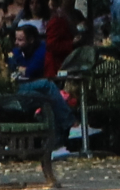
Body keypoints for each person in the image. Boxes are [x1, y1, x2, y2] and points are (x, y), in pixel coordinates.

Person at [7, 20, 72, 158]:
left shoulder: (41, 50)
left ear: (31, 40)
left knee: (48, 96)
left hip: (30, 86)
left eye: (20, 40)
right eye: (16, 39)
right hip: (16, 88)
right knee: (47, 87)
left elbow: (31, 69)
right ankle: (69, 124)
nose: (16, 43)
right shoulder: (16, 52)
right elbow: (14, 66)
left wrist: (21, 69)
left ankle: (58, 142)